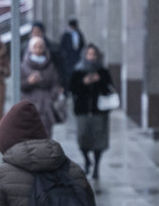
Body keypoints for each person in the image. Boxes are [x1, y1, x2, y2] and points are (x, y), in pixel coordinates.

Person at [69, 44, 113, 180]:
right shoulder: (78, 71)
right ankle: (87, 159)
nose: (91, 57)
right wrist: (83, 82)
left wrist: (99, 81)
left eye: (94, 54)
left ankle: (97, 167)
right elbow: (72, 89)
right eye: (89, 54)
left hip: (99, 112)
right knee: (82, 138)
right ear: (84, 56)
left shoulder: (103, 72)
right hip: (82, 111)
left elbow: (109, 89)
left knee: (99, 140)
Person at [21, 37, 61, 137]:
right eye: (35, 47)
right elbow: (19, 85)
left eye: (41, 47)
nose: (38, 49)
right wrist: (29, 82)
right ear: (30, 49)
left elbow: (55, 82)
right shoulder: (24, 65)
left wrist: (52, 97)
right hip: (30, 104)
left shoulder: (50, 65)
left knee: (45, 135)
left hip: (46, 105)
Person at [59, 18, 85, 93]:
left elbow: (82, 45)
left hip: (77, 58)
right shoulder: (66, 34)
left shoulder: (79, 34)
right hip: (68, 59)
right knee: (68, 75)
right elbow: (62, 46)